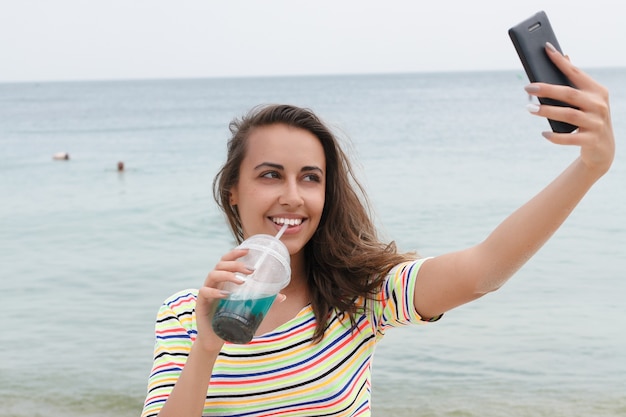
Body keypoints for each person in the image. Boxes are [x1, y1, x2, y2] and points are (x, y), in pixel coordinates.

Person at [141, 43, 614, 417]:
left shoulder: (358, 295)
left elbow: (481, 271)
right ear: (234, 193)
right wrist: (206, 347)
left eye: (311, 177)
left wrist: (590, 168)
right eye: (270, 174)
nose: (293, 195)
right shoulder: (184, 314)